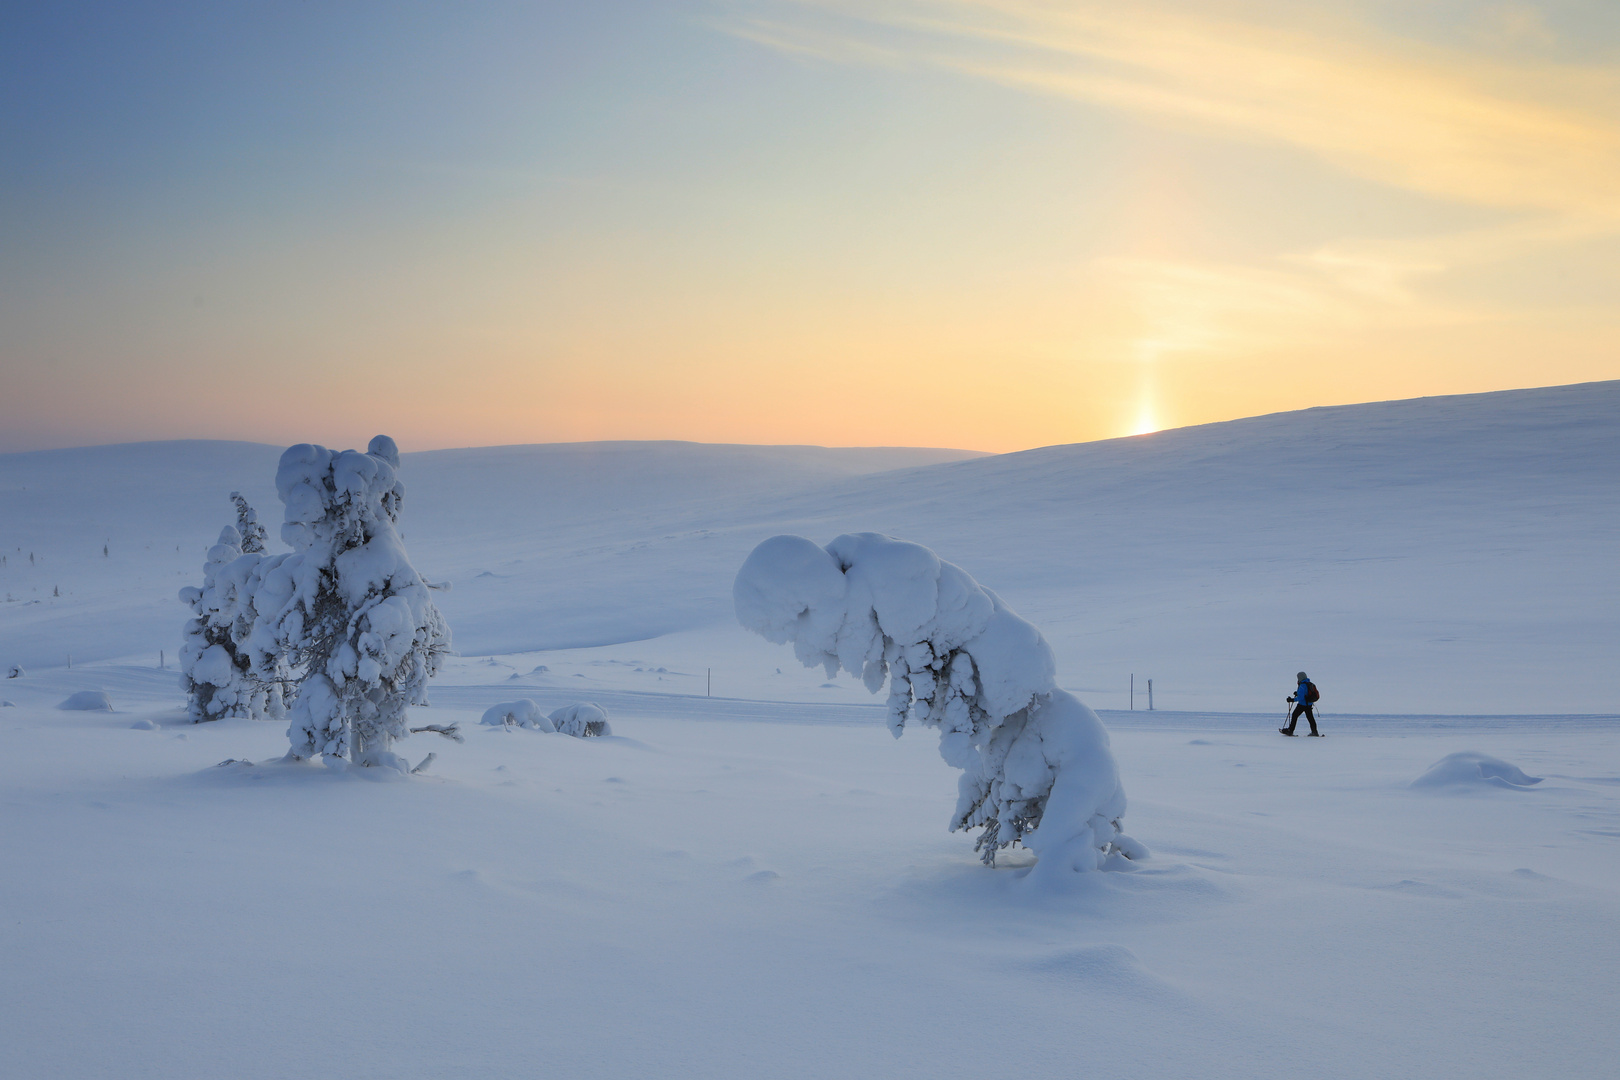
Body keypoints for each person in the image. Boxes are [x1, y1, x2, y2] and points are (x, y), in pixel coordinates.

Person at [1280, 671, 1321, 736]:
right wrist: (1298, 693)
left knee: (1294, 715)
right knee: (1310, 718)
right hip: (1309, 704)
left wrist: (1292, 700)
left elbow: (1301, 698)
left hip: (1302, 705)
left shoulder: (1302, 685)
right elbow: (1305, 693)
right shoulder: (1308, 683)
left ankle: (1290, 730)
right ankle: (1314, 732)